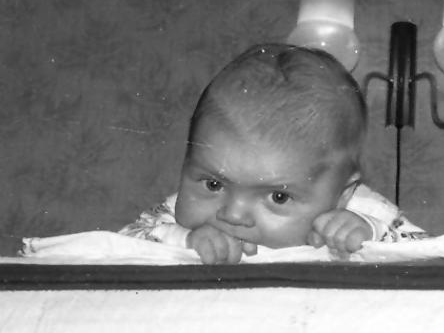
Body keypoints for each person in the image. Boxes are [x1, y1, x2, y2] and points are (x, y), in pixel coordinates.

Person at [119, 44, 427, 264]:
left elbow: (433, 257)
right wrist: (183, 242)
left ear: (342, 195)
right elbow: (113, 249)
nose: (233, 215)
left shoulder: (366, 213)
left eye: (278, 197)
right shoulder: (170, 218)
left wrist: (369, 234)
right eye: (213, 184)